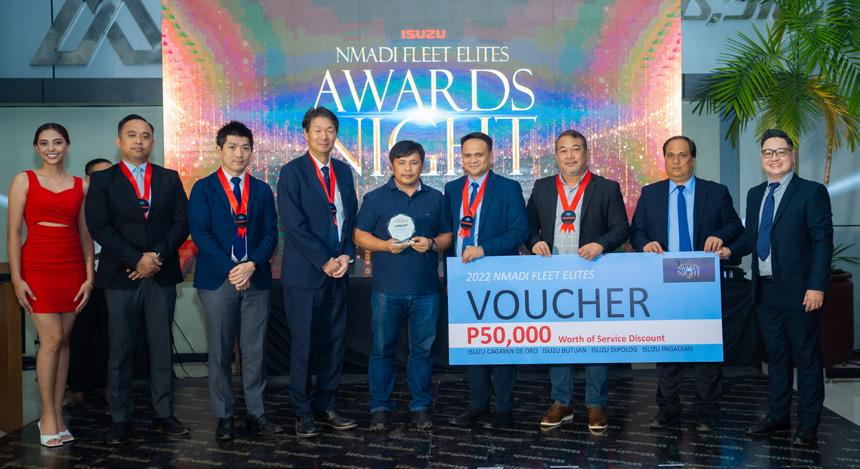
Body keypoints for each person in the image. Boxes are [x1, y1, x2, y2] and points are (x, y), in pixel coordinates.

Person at [718, 129, 833, 446]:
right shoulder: (755, 194)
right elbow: (751, 238)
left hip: (801, 292)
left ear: (792, 155)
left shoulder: (811, 192)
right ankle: (778, 417)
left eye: (781, 151)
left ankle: (808, 424)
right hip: (764, 292)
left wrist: (817, 286)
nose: (774, 157)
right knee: (777, 358)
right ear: (761, 158)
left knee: (806, 358)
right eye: (768, 152)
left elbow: (822, 242)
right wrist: (729, 250)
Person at [85, 114, 190, 444]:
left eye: (145, 135)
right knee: (120, 349)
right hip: (121, 276)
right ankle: (120, 417)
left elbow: (181, 223)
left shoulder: (169, 178)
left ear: (152, 142)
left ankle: (164, 414)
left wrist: (155, 257)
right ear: (119, 141)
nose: (139, 141)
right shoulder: (103, 180)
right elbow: (98, 226)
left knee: (161, 348)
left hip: (160, 273)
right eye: (131, 135)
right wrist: (135, 259)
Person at [630, 135, 743, 433]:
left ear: (693, 159)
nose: (676, 161)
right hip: (664, 283)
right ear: (664, 159)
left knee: (706, 352)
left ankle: (706, 412)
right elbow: (637, 231)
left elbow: (735, 227)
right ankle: (667, 410)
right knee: (667, 350)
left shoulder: (715, 192)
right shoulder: (650, 193)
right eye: (671, 155)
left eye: (682, 155)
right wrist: (644, 244)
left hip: (703, 283)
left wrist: (721, 236)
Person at [526, 129, 629, 434]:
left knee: (594, 339)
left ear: (586, 153)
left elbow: (621, 228)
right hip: (554, 277)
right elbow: (527, 226)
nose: (569, 155)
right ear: (556, 155)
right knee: (559, 340)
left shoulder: (606, 188)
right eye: (563, 150)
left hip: (593, 275)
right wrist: (534, 242)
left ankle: (595, 404)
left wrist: (601, 244)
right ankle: (562, 402)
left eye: (575, 149)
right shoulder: (542, 187)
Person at [188, 121, 281, 440]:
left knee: (255, 352)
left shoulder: (262, 190)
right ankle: (224, 416)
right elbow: (200, 233)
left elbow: (271, 234)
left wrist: (251, 265)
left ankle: (256, 413)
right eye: (232, 147)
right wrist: (233, 269)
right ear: (220, 149)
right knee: (220, 351)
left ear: (252, 151)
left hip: (255, 278)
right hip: (218, 280)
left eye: (245, 148)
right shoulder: (203, 188)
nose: (239, 154)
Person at [354, 140, 453, 431]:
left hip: (426, 291)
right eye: (402, 163)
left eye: (413, 162)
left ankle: (420, 406)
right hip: (387, 290)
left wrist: (432, 243)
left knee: (422, 351)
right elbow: (359, 236)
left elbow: (447, 237)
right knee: (382, 350)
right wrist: (385, 246)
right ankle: (380, 407)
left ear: (422, 165)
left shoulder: (436, 198)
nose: (408, 168)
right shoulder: (375, 198)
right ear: (392, 165)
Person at [7, 123, 94, 447]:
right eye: (44, 143)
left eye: (57, 142)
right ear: (36, 147)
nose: (51, 148)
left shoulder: (82, 186)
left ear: (67, 146)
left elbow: (86, 235)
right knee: (52, 338)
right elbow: (13, 232)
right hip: (37, 267)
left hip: (72, 269)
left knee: (64, 341)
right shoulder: (23, 180)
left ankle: (58, 413)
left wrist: (89, 277)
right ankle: (46, 415)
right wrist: (17, 278)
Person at [277, 106, 359, 438]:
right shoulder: (292, 172)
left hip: (339, 272)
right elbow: (293, 224)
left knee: (334, 342)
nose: (324, 136)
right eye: (318, 130)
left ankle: (327, 405)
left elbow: (350, 219)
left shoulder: (343, 171)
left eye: (330, 130)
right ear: (306, 134)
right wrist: (324, 260)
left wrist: (346, 255)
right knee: (304, 345)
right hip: (305, 275)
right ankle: (302, 411)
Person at [445, 131, 529, 429]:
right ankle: (478, 405)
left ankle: (504, 408)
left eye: (479, 154)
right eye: (467, 155)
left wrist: (484, 249)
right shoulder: (451, 189)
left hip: (499, 276)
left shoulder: (508, 188)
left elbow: (520, 232)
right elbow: (449, 233)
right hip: (463, 278)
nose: (473, 160)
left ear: (491, 156)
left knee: (502, 345)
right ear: (461, 158)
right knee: (473, 343)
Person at [67, 158, 113, 409]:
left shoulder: (118, 204)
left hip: (111, 276)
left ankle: (106, 384)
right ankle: (77, 387)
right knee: (79, 333)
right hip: (79, 277)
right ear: (88, 179)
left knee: (108, 334)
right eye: (99, 176)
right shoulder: (75, 203)